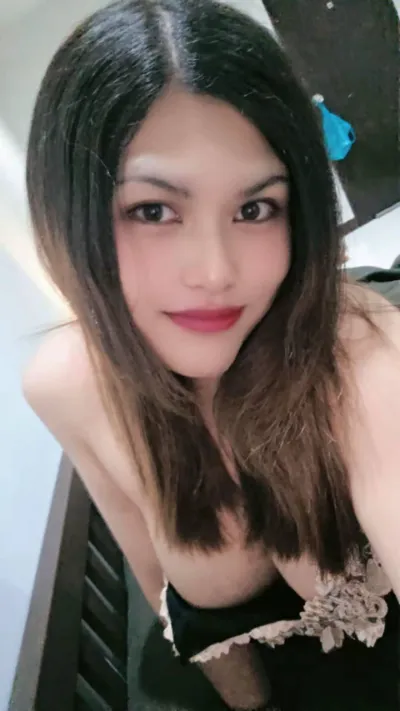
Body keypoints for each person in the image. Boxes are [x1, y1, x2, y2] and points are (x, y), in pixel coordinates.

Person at [23, 1, 400, 709]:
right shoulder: (64, 383)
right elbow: (159, 582)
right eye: (153, 210)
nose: (216, 272)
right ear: (69, 216)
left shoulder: (361, 353)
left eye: (255, 208)